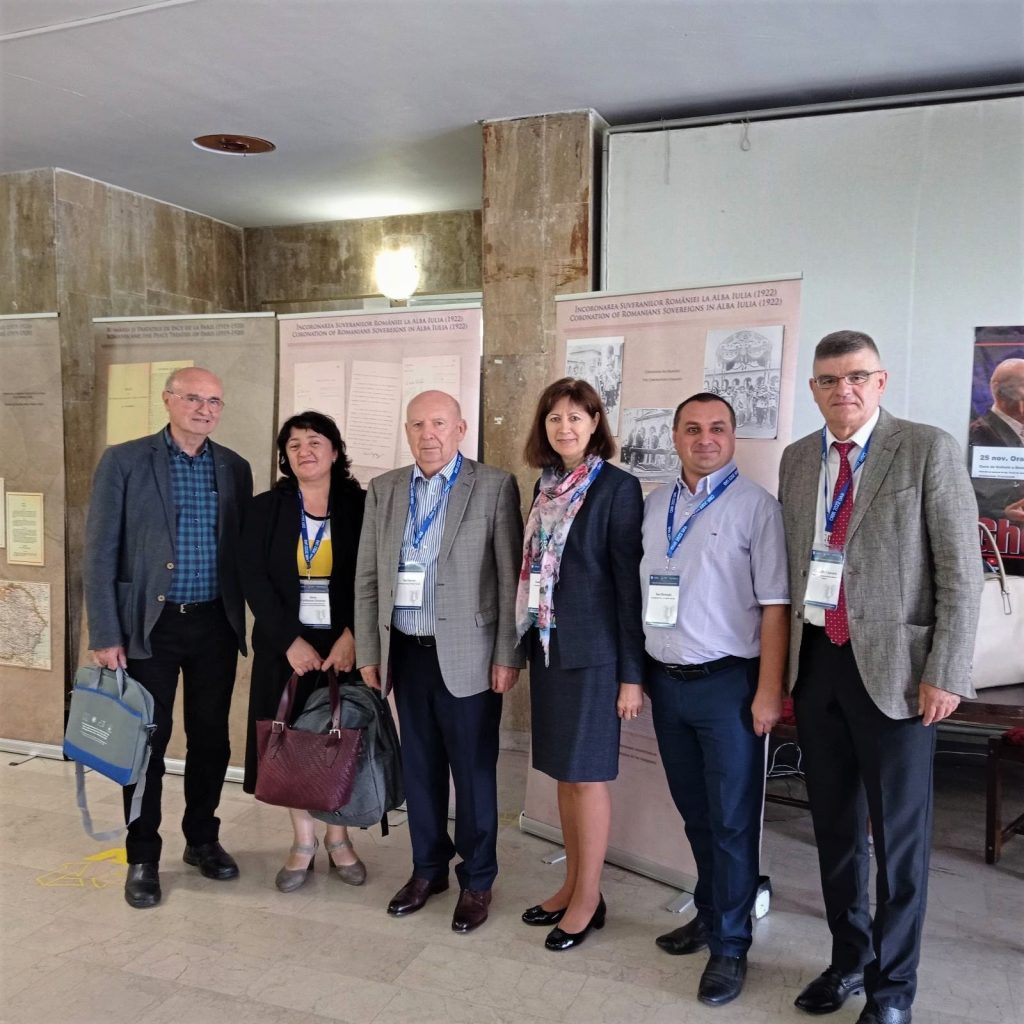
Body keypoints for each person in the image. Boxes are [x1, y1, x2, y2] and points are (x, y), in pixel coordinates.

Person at [778, 331, 982, 1024]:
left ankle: (893, 990)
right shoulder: (798, 460)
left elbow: (960, 573)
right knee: (834, 830)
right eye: (830, 380)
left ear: (881, 381)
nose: (845, 390)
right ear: (813, 389)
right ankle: (848, 960)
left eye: (858, 377)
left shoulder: (926, 449)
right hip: (818, 664)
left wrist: (945, 671)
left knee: (898, 842)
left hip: (900, 674)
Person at [354, 390, 524, 933]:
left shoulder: (493, 485)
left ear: (460, 429)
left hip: (470, 655)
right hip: (406, 652)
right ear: (407, 431)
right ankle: (428, 868)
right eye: (417, 425)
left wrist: (507, 654)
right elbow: (367, 577)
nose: (428, 434)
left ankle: (477, 878)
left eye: (438, 424)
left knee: (473, 774)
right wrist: (370, 651)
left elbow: (510, 576)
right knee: (420, 770)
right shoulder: (384, 489)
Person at [84, 366, 252, 909]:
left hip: (214, 624)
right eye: (193, 398)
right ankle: (142, 856)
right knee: (146, 745)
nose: (204, 409)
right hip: (148, 627)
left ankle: (202, 839)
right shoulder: (125, 461)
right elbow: (99, 552)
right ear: (168, 399)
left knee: (211, 739)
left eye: (214, 401)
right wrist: (105, 632)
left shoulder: (234, 467)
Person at [641, 393, 789, 1006]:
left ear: (733, 437)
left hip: (729, 686)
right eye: (693, 428)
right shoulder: (655, 505)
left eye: (718, 428)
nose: (706, 438)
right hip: (666, 683)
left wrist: (769, 692)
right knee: (696, 814)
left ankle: (731, 945)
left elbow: (776, 606)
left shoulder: (757, 507)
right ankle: (709, 915)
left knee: (731, 821)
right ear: (675, 436)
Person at [515, 377, 644, 952]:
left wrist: (631, 675)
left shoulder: (618, 488)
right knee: (565, 776)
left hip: (595, 658)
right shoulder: (544, 485)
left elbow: (627, 588)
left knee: (587, 778)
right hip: (549, 649)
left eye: (575, 417)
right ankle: (572, 884)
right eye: (554, 418)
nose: (564, 427)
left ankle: (590, 898)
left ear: (595, 424)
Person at [239, 411, 366, 891]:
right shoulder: (264, 509)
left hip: (343, 646)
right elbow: (253, 578)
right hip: (285, 648)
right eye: (293, 445)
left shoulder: (362, 505)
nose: (304, 451)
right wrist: (289, 641)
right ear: (284, 456)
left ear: (335, 450)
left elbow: (373, 573)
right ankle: (303, 841)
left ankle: (339, 837)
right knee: (290, 742)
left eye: (315, 441)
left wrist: (354, 636)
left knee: (339, 740)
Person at [968, 356, 1024, 525]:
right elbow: (974, 496)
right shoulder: (979, 434)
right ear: (1000, 391)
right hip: (1000, 532)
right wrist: (1003, 513)